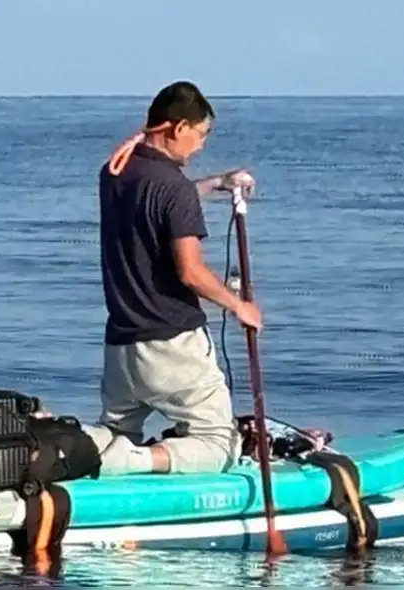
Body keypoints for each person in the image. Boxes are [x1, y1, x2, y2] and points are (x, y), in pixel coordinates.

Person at [82, 80, 263, 476]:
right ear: (179, 127)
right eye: (201, 134)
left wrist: (216, 183)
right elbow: (191, 271)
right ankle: (138, 460)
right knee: (220, 445)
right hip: (172, 344)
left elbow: (156, 203)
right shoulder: (172, 188)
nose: (200, 145)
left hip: (122, 347)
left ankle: (80, 450)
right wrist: (239, 307)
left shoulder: (115, 172)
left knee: (114, 432)